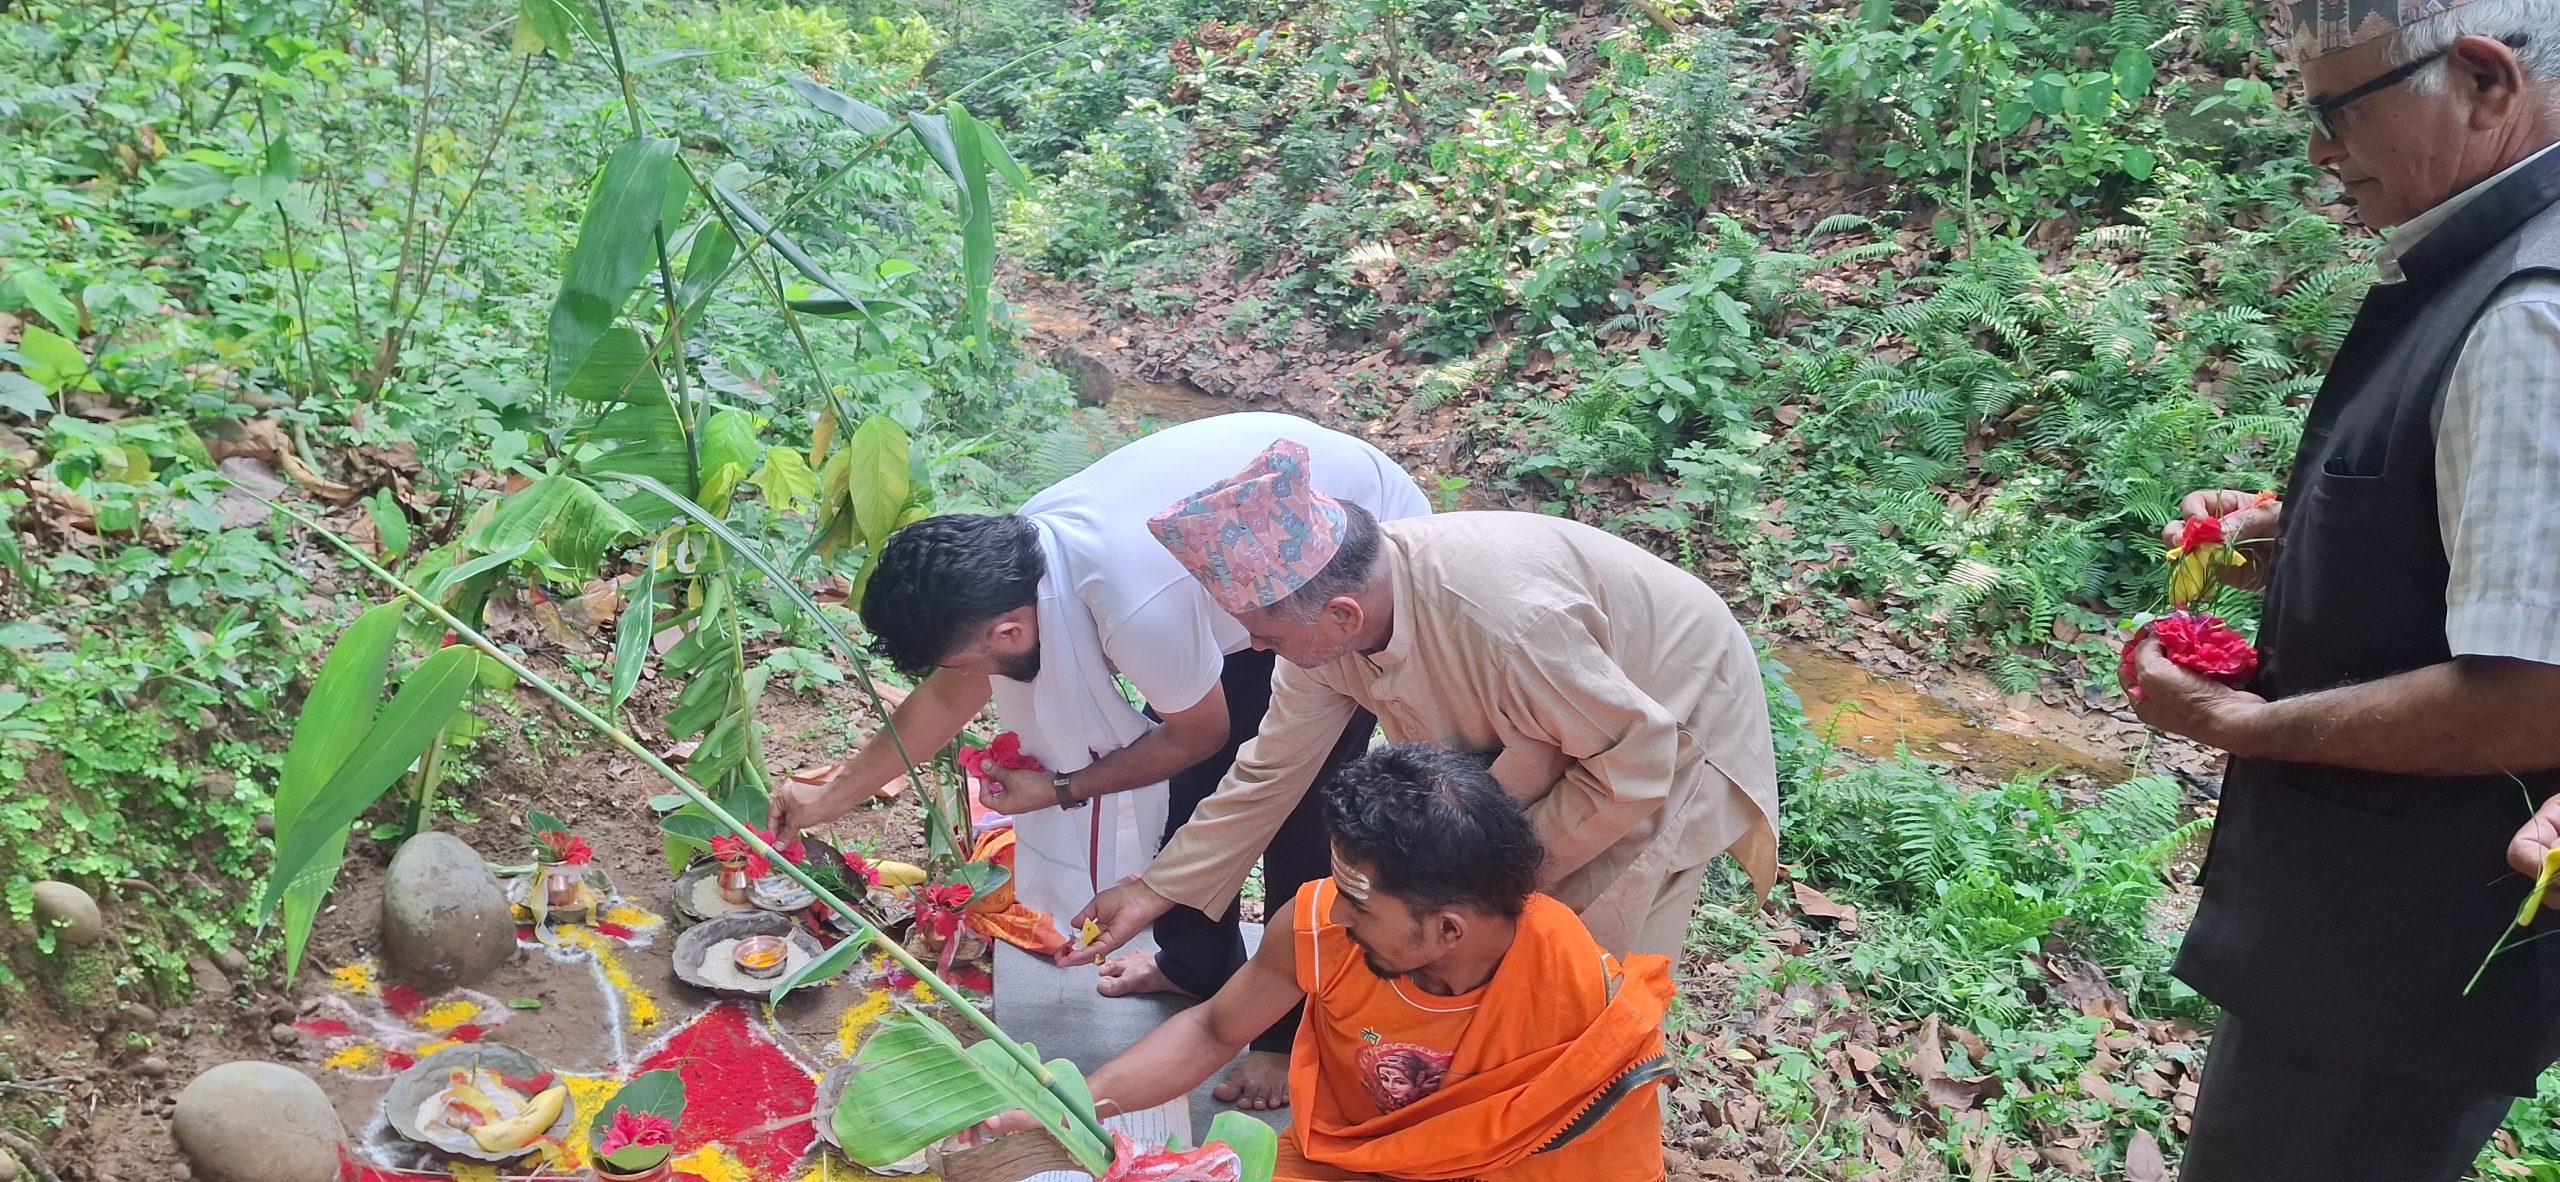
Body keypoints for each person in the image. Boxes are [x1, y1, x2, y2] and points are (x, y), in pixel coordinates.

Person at [2122, 2, 2560, 1176]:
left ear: (2479, 79)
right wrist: (2305, 529)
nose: (2321, 149)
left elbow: (2528, 697)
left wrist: (2245, 725)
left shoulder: (2529, 314)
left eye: (2337, 109)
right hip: (2366, 949)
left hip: (2388, 968)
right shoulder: (2490, 268)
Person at [769, 412, 1429, 1107]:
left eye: (962, 661)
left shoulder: (1134, 605)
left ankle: (1286, 1028)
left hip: (1333, 562)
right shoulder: (1012, 567)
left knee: (1293, 810)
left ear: (1010, 630)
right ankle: (1198, 965)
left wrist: (1061, 786)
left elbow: (1194, 735)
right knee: (1183, 801)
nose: (967, 679)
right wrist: (834, 794)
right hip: (1225, 585)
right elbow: (945, 696)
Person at [1071, 443, 1779, 972]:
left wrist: (1483, 876)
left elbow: (1634, 759)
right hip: (1554, 721)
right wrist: (1155, 890)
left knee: (1576, 947)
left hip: (1669, 710)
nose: (1254, 648)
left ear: (1343, 614)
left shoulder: (1508, 624)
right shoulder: (1326, 635)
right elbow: (1271, 771)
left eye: (1265, 632)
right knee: (1458, 922)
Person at [983, 742, 1675, 1182]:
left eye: (1360, 905)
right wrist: (1072, 1102)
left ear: (1448, 929)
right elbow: (1212, 1031)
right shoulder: (1318, 924)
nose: (1335, 914)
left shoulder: (1570, 985)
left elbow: (1592, 1159)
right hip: (1348, 1166)